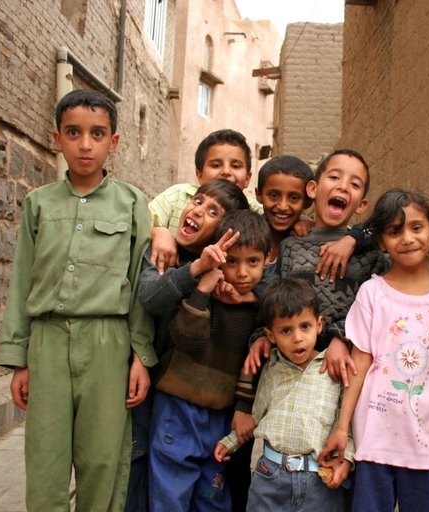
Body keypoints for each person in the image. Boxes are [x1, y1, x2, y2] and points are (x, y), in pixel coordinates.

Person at [0, 89, 154, 511]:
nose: (85, 145)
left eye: (97, 133)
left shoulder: (133, 203)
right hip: (47, 342)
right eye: (74, 133)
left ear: (113, 142)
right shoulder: (39, 204)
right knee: (45, 459)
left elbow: (140, 280)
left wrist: (141, 355)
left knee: (102, 460)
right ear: (57, 138)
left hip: (109, 342)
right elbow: (21, 282)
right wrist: (19, 359)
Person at [319, 188, 429, 512]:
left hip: (428, 441)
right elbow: (360, 362)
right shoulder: (373, 293)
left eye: (416, 227)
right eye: (395, 231)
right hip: (374, 440)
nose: (407, 238)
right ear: (382, 242)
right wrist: (343, 428)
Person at [128, 178, 249, 512]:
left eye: (212, 211)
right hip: (159, 393)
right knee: (155, 482)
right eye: (197, 201)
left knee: (210, 496)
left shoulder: (229, 277)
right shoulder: (166, 255)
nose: (197, 211)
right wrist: (195, 266)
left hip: (205, 406)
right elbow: (150, 298)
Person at [148, 210, 272, 512]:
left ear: (267, 259)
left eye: (252, 262)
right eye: (232, 261)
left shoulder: (263, 309)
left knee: (214, 497)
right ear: (218, 258)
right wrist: (203, 290)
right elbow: (186, 339)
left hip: (222, 415)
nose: (242, 273)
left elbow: (254, 368)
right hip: (179, 407)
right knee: (170, 495)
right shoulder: (204, 292)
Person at [245, 149, 389, 386]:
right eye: (334, 177)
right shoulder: (291, 246)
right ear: (312, 190)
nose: (342, 186)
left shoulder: (369, 253)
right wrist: (262, 335)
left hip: (343, 370)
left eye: (354, 184)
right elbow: (273, 299)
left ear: (362, 204)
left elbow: (377, 309)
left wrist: (341, 339)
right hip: (289, 371)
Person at [215, 278, 354, 512]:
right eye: (286, 330)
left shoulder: (332, 369)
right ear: (271, 336)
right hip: (270, 476)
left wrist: (347, 459)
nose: (297, 337)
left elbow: (346, 424)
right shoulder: (272, 368)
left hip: (319, 479)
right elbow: (256, 414)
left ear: (319, 325)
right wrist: (231, 441)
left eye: (305, 327)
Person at [148, 129, 262, 274]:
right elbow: (140, 222)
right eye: (215, 165)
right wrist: (159, 232)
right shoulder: (178, 196)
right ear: (199, 174)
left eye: (235, 166)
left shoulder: (253, 211)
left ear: (248, 178)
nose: (226, 171)